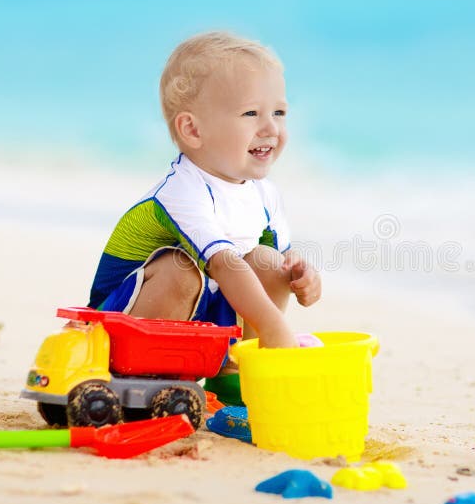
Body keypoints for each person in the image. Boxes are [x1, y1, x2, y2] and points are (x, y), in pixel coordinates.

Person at [87, 32, 321, 402]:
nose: (271, 128)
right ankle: (147, 379)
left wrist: (303, 277)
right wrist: (277, 328)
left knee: (268, 261)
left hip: (199, 319)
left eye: (278, 112)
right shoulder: (181, 191)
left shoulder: (263, 193)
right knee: (181, 268)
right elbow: (226, 266)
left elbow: (278, 262)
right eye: (250, 113)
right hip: (121, 325)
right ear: (193, 130)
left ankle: (234, 376)